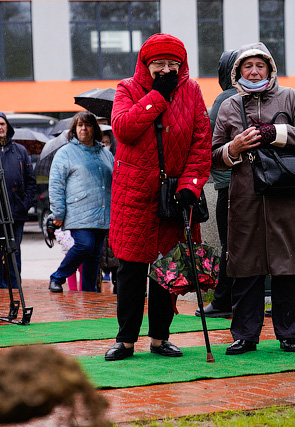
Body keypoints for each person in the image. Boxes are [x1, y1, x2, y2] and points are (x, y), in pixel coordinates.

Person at [104, 33, 211, 361]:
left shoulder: (192, 91)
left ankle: (160, 338)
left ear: (182, 65)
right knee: (132, 270)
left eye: (172, 64)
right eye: (159, 64)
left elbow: (201, 140)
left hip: (175, 194)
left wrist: (191, 185)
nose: (166, 70)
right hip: (134, 194)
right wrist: (156, 96)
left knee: (168, 268)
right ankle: (125, 340)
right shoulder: (127, 89)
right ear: (145, 64)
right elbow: (123, 128)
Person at [211, 42, 295, 355]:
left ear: (270, 69)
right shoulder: (229, 106)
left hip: (289, 198)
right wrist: (233, 148)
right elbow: (213, 155)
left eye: (260, 65)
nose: (254, 71)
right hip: (245, 198)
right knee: (245, 267)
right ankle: (245, 335)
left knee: (289, 267)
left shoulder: (291, 97)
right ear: (238, 72)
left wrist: (278, 133)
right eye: (248, 66)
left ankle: (289, 333)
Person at [47, 111, 113, 293]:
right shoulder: (66, 153)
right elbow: (56, 184)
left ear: (95, 128)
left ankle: (89, 293)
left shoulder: (105, 153)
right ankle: (57, 277)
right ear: (74, 129)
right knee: (85, 245)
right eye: (79, 125)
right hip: (78, 211)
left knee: (94, 255)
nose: (83, 128)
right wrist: (58, 213)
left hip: (102, 212)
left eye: (88, 125)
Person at [196, 48, 239, 320]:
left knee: (230, 246)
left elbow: (210, 144)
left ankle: (224, 300)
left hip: (230, 187)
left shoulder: (224, 99)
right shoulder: (266, 96)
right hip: (260, 185)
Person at [0, 111, 37, 289]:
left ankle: (14, 286)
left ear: (7, 127)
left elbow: (30, 181)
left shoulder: (20, 151)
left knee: (14, 251)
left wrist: (24, 205)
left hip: (15, 211)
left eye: (2, 124)